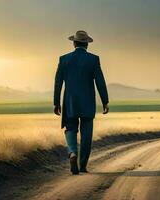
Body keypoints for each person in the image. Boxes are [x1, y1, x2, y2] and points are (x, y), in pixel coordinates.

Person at [53, 30, 109, 175]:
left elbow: (58, 82)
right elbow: (100, 82)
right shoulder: (94, 60)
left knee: (70, 128)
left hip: (70, 102)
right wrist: (105, 101)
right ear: (87, 45)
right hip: (87, 103)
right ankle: (82, 166)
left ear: (74, 43)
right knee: (87, 135)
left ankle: (72, 152)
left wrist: (56, 102)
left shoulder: (64, 59)